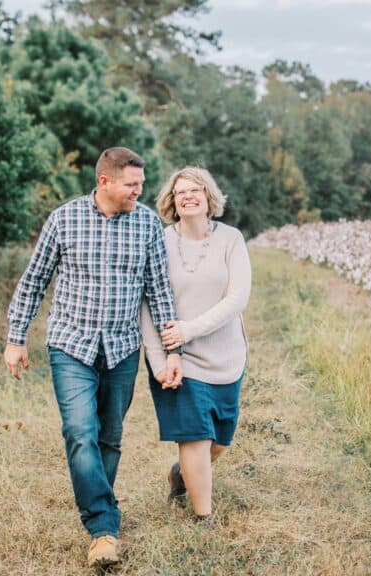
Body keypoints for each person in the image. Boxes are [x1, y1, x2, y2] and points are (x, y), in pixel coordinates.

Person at [3, 147, 183, 567]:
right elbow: (33, 283)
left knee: (110, 438)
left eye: (141, 184)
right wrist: (16, 339)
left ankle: (98, 507)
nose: (139, 191)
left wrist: (173, 351)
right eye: (131, 185)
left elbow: (159, 291)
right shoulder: (64, 219)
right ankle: (103, 526)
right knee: (80, 431)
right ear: (105, 182)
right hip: (71, 345)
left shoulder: (147, 224)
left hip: (121, 346)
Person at [140, 166, 251, 527]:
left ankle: (182, 474)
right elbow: (146, 302)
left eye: (195, 190)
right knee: (195, 438)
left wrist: (191, 329)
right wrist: (159, 359)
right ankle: (204, 517)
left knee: (219, 440)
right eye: (180, 191)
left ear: (208, 197)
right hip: (178, 359)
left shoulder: (231, 239)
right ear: (171, 201)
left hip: (225, 355)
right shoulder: (160, 241)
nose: (188, 196)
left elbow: (237, 297)